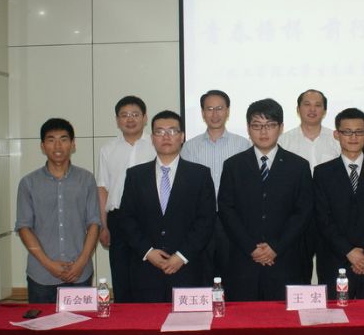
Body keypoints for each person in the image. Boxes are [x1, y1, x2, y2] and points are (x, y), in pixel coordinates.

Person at [218, 98, 313, 301]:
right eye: (257, 126)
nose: (263, 132)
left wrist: (276, 247)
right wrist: (251, 248)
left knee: (284, 318)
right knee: (244, 318)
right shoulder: (233, 166)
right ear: (248, 129)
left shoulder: (298, 166)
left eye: (270, 125)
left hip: (285, 260)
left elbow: (303, 212)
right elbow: (226, 210)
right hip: (243, 261)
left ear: (281, 128)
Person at [120, 110, 216, 302]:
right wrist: (148, 252)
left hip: (188, 270)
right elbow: (127, 219)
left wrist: (181, 256)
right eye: (159, 132)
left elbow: (206, 221)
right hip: (146, 271)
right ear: (152, 138)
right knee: (147, 321)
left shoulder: (200, 175)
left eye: (172, 131)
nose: (166, 137)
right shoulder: (135, 176)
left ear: (182, 137)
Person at [15, 118, 100, 303]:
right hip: (41, 275)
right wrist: (49, 264)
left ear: (73, 144)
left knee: (81, 322)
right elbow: (24, 227)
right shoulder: (28, 183)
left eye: (63, 139)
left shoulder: (86, 179)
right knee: (41, 322)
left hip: (79, 273)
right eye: (51, 140)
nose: (58, 145)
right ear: (42, 146)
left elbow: (94, 223)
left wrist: (81, 263)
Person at [314, 108, 364, 299]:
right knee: (335, 318)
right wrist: (349, 252)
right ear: (337, 134)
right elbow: (323, 219)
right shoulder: (322, 173)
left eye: (359, 132)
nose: (353, 137)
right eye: (347, 132)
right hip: (335, 263)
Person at [181, 89, 250, 284]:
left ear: (228, 111)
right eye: (209, 109)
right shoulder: (189, 147)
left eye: (219, 108)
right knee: (203, 272)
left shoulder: (243, 145)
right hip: (200, 219)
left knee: (233, 272)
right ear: (202, 113)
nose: (215, 114)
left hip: (233, 220)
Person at [97, 95, 155, 302]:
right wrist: (104, 226)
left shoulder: (156, 144)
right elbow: (102, 188)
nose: (130, 119)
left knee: (148, 274)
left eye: (135, 114)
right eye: (124, 115)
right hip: (118, 219)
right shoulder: (107, 149)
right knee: (121, 274)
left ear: (145, 118)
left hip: (149, 219)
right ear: (117, 120)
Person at [278, 89, 340, 283]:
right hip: (296, 218)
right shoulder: (284, 140)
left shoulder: (337, 140)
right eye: (307, 104)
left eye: (317, 105)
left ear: (325, 110)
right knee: (299, 271)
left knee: (330, 271)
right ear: (298, 109)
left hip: (331, 218)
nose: (312, 109)